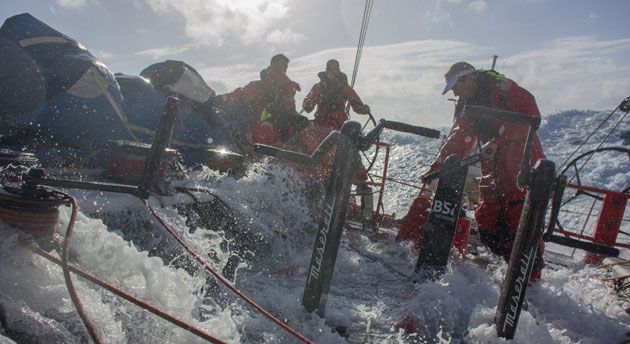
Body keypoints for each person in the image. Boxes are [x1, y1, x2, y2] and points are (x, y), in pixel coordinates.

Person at [399, 61, 546, 282]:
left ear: (468, 79)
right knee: (487, 221)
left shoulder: (503, 89)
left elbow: (530, 117)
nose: (455, 92)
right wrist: (437, 168)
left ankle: (528, 283)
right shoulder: (468, 106)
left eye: (457, 86)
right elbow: (459, 137)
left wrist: (499, 140)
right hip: (493, 167)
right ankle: (509, 272)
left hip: (521, 165)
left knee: (518, 223)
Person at [298, 59, 371, 182]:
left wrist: (364, 109)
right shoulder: (319, 87)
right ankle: (315, 178)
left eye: (334, 68)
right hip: (321, 128)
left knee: (354, 159)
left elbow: (357, 106)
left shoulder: (345, 88)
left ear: (338, 70)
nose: (332, 71)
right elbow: (307, 107)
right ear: (326, 71)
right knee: (315, 154)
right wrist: (309, 102)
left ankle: (361, 184)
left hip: (341, 129)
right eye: (329, 68)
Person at [215, 54, 303, 151]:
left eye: (285, 67)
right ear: (273, 65)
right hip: (263, 128)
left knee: (304, 130)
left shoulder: (287, 89)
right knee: (264, 135)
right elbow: (239, 94)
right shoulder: (258, 86)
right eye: (281, 66)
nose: (284, 70)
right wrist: (221, 98)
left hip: (285, 128)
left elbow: (291, 109)